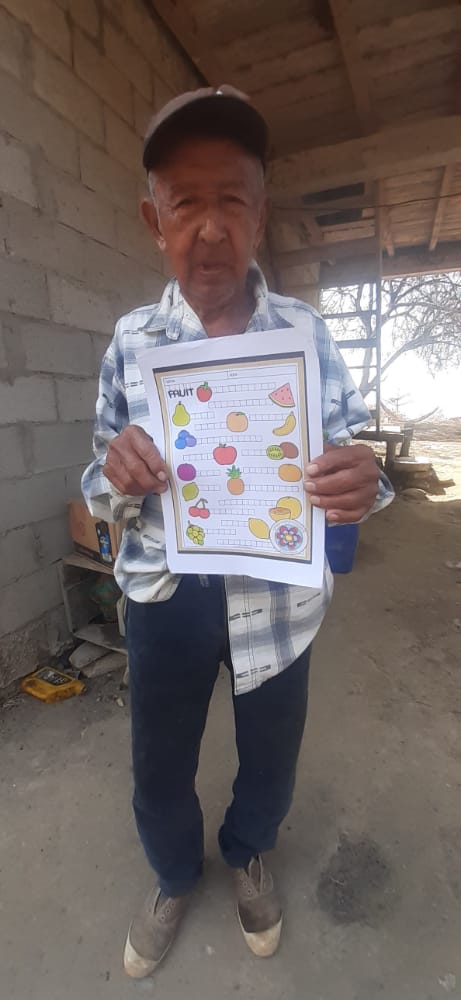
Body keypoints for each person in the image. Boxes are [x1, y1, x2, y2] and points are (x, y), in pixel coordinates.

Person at [82, 85, 393, 977]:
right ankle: (175, 875)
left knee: (270, 754)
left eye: (232, 201)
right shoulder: (132, 342)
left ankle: (248, 851)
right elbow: (96, 475)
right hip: (165, 595)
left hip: (278, 598)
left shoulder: (304, 333)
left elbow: (354, 453)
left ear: (260, 214)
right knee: (158, 762)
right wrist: (114, 474)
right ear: (154, 220)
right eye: (186, 203)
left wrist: (364, 480)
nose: (210, 228)